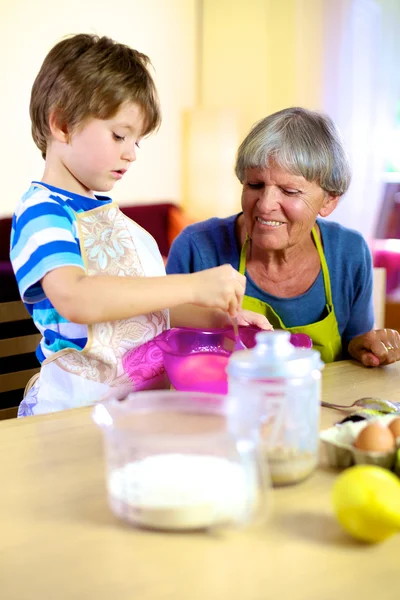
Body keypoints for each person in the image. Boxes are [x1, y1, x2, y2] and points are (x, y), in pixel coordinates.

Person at [10, 33, 270, 417]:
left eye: (138, 141)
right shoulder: (42, 212)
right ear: (62, 124)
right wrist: (194, 284)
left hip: (134, 412)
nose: (131, 154)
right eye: (119, 135)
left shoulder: (112, 218)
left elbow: (142, 312)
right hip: (70, 415)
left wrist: (220, 319)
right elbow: (77, 298)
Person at [167, 107, 400, 367]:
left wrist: (363, 347)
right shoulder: (196, 247)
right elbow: (165, 348)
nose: (265, 205)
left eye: (289, 191)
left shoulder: (349, 252)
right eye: (254, 185)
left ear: (329, 200)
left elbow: (355, 350)